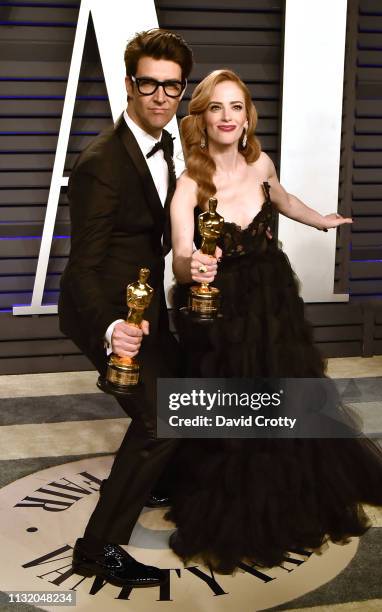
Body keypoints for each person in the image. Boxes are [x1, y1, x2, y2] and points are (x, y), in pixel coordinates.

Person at [167, 69, 382, 574]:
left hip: (273, 305)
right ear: (202, 119)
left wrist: (320, 219)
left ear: (247, 116)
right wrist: (196, 268)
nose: (228, 117)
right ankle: (240, 507)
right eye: (216, 107)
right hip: (222, 315)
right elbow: (180, 256)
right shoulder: (190, 184)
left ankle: (290, 487)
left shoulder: (261, 164)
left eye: (236, 107)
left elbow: (283, 198)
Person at [58, 28, 193, 588]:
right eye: (149, 84)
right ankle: (95, 550)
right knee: (161, 419)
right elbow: (82, 269)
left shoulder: (166, 145)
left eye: (173, 87)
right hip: (105, 313)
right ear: (130, 85)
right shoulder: (101, 162)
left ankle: (155, 479)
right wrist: (112, 328)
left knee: (180, 398)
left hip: (143, 310)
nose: (161, 97)